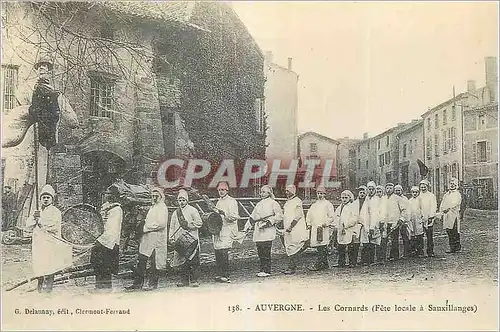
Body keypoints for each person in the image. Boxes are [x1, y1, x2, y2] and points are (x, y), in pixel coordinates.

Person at [125, 187, 168, 291]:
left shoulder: (162, 207)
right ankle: (137, 283)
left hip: (156, 239)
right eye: (152, 196)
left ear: (161, 196)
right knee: (141, 260)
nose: (154, 198)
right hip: (147, 239)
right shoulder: (153, 207)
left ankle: (152, 284)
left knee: (154, 262)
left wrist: (145, 228)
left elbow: (161, 224)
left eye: (156, 196)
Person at [25, 184, 62, 293]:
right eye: (43, 197)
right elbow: (28, 225)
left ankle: (47, 290)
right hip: (38, 244)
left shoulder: (55, 212)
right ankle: (40, 288)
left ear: (52, 199)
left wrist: (39, 220)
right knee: (40, 266)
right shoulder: (38, 211)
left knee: (49, 266)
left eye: (48, 197)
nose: (45, 199)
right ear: (40, 199)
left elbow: (53, 226)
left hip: (50, 244)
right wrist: (34, 218)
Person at [90, 186, 123, 291]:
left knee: (106, 266)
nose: (107, 195)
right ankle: (98, 287)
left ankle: (106, 288)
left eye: (109, 193)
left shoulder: (117, 209)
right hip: (100, 239)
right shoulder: (104, 206)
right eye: (106, 193)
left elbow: (112, 227)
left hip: (109, 242)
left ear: (114, 195)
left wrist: (101, 239)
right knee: (97, 264)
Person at [168, 189, 203, 287]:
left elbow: (199, 223)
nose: (181, 202)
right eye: (180, 200)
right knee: (182, 260)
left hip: (191, 239)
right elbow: (172, 226)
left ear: (187, 200)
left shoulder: (193, 210)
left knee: (193, 260)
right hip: (180, 239)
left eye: (183, 200)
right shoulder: (176, 213)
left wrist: (189, 225)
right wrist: (171, 237)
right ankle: (184, 280)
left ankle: (194, 280)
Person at [248, 185, 283, 277]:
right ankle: (262, 269)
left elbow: (279, 216)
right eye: (261, 192)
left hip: (267, 229)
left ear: (269, 193)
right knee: (260, 250)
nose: (261, 194)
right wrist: (247, 226)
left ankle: (267, 270)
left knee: (266, 250)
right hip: (259, 229)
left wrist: (270, 221)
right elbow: (253, 216)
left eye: (264, 192)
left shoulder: (273, 203)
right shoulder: (259, 204)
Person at [212, 182, 240, 283]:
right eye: (219, 190)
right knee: (218, 251)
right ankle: (220, 274)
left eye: (223, 190)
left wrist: (223, 213)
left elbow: (235, 216)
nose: (221, 192)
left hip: (228, 229)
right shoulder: (218, 201)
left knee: (224, 252)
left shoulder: (232, 201)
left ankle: (226, 275)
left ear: (227, 190)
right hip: (219, 229)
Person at [279, 184, 308, 275]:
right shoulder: (287, 202)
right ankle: (291, 266)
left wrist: (291, 226)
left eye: (288, 191)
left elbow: (298, 215)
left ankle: (292, 267)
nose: (286, 193)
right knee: (289, 246)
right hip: (288, 228)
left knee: (294, 246)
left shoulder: (297, 201)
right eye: (286, 191)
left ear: (293, 191)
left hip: (296, 228)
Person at [306, 186, 335, 271]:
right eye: (319, 193)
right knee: (319, 247)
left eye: (322, 193)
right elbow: (309, 215)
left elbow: (331, 216)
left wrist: (326, 223)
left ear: (325, 194)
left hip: (323, 227)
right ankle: (325, 264)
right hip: (315, 228)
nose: (320, 195)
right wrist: (308, 223)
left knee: (322, 245)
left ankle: (319, 264)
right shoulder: (314, 205)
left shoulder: (328, 204)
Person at [384, 183, 407, 261]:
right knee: (385, 239)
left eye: (390, 188)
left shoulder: (397, 198)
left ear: (393, 189)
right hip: (385, 222)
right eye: (387, 188)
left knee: (395, 239)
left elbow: (404, 209)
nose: (389, 190)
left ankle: (395, 255)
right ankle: (384, 256)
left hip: (394, 221)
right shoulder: (383, 199)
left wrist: (401, 219)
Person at [333, 190, 357, 268]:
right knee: (341, 246)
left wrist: (346, 224)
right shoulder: (340, 207)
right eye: (342, 198)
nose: (344, 199)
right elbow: (336, 216)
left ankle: (352, 262)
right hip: (340, 229)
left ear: (350, 198)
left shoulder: (352, 206)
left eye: (346, 198)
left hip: (348, 229)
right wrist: (337, 224)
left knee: (350, 246)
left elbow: (354, 218)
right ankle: (341, 262)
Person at [360, 181, 381, 265]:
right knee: (365, 243)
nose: (371, 191)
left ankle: (370, 260)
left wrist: (372, 226)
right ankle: (364, 259)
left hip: (373, 223)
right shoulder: (366, 199)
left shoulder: (376, 199)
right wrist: (364, 223)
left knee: (372, 242)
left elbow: (375, 214)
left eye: (372, 189)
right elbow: (364, 212)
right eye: (369, 189)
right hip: (366, 223)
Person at [439, 178, 462, 253]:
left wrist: (448, 208)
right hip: (447, 215)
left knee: (454, 230)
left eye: (453, 184)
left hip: (453, 214)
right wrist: (441, 211)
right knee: (448, 230)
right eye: (451, 184)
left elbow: (456, 203)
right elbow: (442, 203)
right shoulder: (446, 194)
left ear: (456, 185)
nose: (452, 185)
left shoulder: (457, 194)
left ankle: (456, 247)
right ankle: (452, 246)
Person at [419, 179, 437, 257]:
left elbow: (433, 206)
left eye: (424, 187)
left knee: (429, 235)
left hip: (429, 217)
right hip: (420, 218)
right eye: (421, 187)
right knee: (420, 235)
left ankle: (430, 251)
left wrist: (431, 216)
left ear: (427, 187)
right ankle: (420, 251)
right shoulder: (418, 195)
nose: (423, 188)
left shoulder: (431, 196)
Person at [351, 186, 367, 267]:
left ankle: (364, 260)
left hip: (364, 224)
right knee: (356, 243)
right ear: (358, 193)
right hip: (356, 224)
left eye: (364, 193)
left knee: (364, 242)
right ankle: (354, 261)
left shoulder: (368, 203)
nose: (362, 194)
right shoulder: (354, 203)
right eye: (361, 193)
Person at [394, 184, 411, 258]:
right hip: (395, 221)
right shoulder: (393, 199)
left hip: (403, 221)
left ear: (402, 191)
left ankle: (406, 253)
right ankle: (395, 255)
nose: (397, 192)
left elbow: (406, 210)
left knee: (405, 237)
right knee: (395, 238)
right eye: (396, 190)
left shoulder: (404, 199)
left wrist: (404, 219)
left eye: (399, 190)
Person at [408, 186, 424, 257]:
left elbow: (423, 209)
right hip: (412, 219)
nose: (415, 194)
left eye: (416, 192)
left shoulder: (420, 200)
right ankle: (413, 250)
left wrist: (422, 217)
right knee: (412, 235)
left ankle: (420, 251)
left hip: (418, 219)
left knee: (419, 235)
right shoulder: (410, 201)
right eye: (413, 192)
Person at [375, 185, 387, 262]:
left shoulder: (385, 200)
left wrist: (383, 221)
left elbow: (385, 212)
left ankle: (383, 257)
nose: (379, 193)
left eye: (380, 192)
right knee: (377, 240)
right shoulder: (375, 200)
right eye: (377, 192)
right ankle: (378, 257)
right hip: (376, 222)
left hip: (383, 222)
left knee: (383, 239)